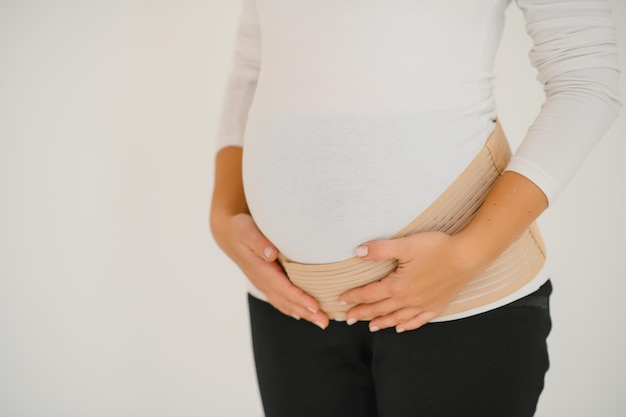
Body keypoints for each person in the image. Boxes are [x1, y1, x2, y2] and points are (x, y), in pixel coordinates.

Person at [210, 1, 621, 416]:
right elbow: (253, 59)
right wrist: (223, 210)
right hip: (290, 302)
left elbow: (585, 79)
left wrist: (467, 254)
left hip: (461, 301)